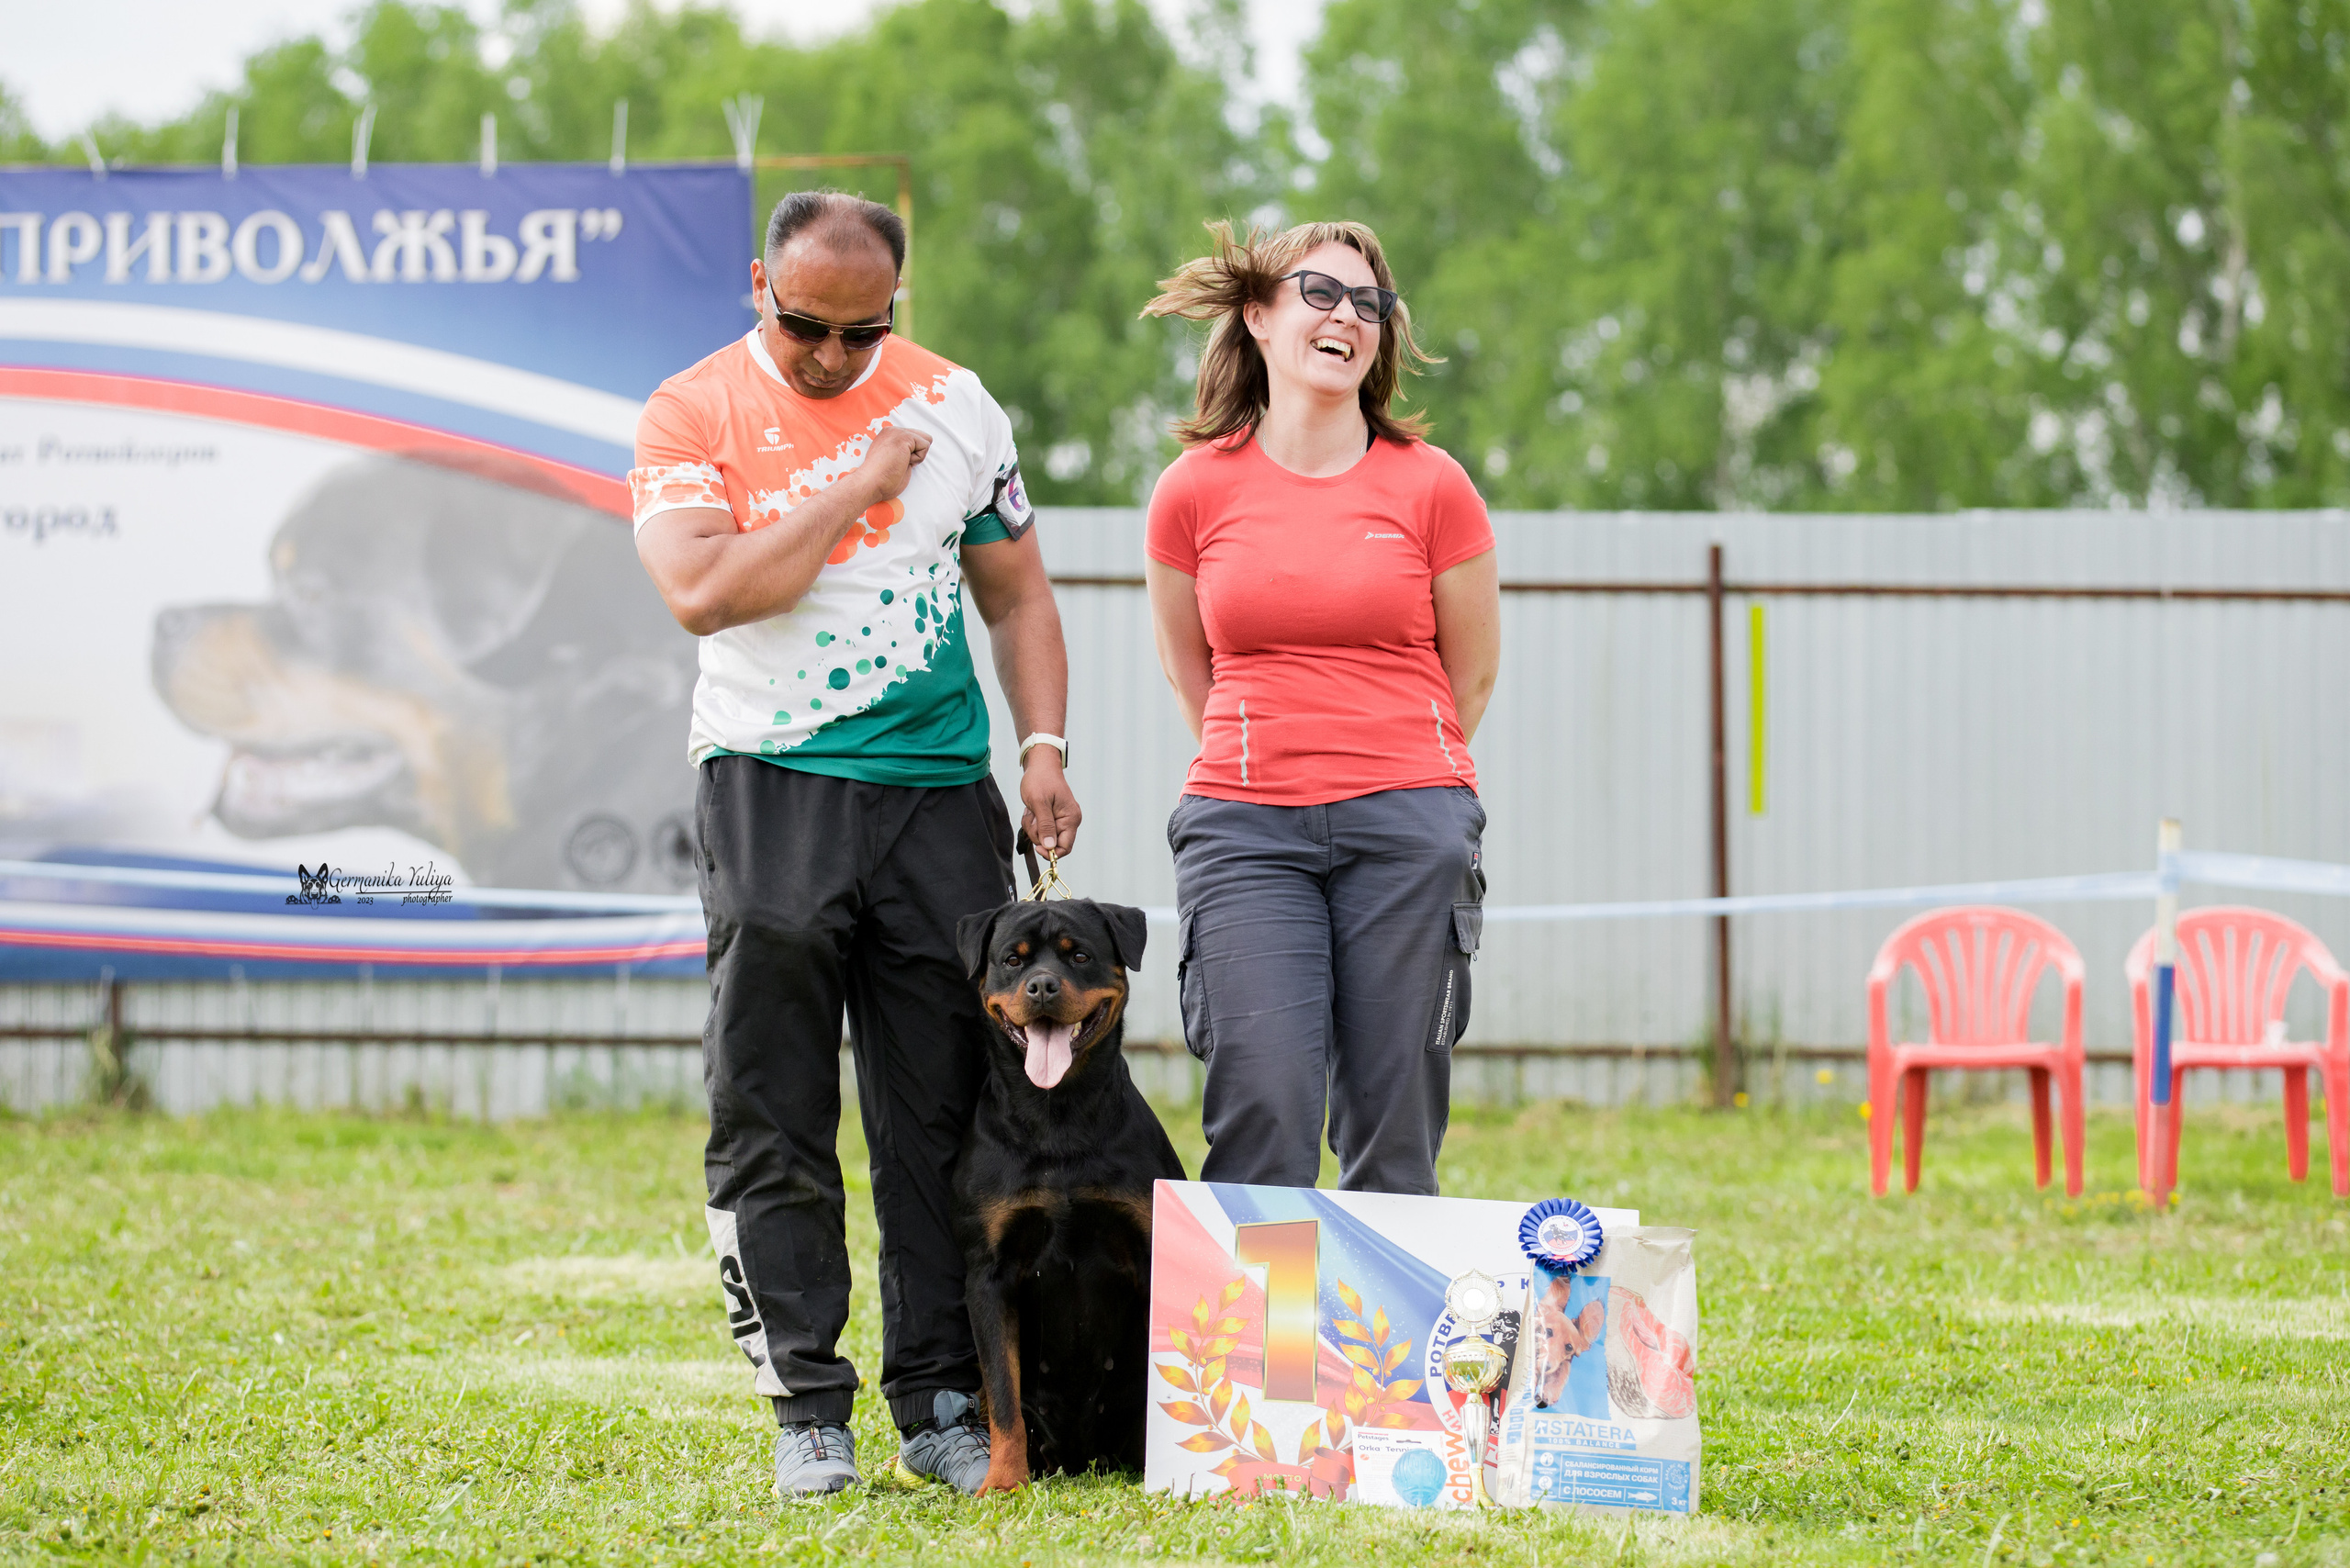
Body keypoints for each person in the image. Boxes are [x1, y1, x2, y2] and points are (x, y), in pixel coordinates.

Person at [631, 190, 1080, 1498]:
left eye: (861, 331)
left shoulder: (963, 405)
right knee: (771, 1103)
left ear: (901, 305)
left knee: (943, 1108)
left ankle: (940, 1397)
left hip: (941, 797)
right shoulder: (690, 412)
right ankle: (807, 1409)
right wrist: (859, 484)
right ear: (757, 284)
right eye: (804, 326)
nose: (830, 356)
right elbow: (707, 591)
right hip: (772, 784)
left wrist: (1043, 748)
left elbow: (1019, 593)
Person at [1140, 219, 1500, 1196]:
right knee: (1264, 1110)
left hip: (1409, 826)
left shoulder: (1434, 487)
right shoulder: (1189, 492)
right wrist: (1275, 771)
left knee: (1391, 1128)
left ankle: (1375, 1356)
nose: (1349, 316)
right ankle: (1270, 1354)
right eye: (1322, 293)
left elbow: (1469, 677)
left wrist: (1392, 773)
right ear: (1258, 316)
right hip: (1244, 833)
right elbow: (1189, 674)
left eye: (1370, 303)